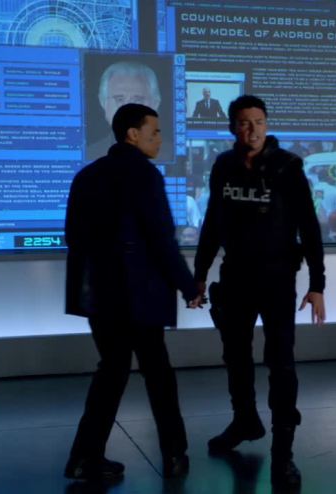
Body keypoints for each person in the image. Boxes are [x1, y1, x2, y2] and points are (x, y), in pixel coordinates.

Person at [64, 103, 203, 481]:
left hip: (100, 297)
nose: (160, 139)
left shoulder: (87, 175)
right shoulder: (145, 175)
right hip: (139, 296)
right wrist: (188, 286)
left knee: (111, 372)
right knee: (159, 375)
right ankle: (174, 455)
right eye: (154, 132)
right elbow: (162, 240)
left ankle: (84, 457)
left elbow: (73, 237)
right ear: (132, 134)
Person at [193, 95, 326, 490]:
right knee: (235, 355)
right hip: (235, 276)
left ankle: (284, 453)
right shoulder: (223, 166)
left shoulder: (287, 167)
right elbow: (212, 224)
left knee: (280, 362)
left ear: (267, 125)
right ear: (232, 127)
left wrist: (317, 285)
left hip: (278, 278)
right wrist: (199, 274)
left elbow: (309, 227)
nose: (251, 130)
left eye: (258, 122)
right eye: (243, 122)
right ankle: (245, 422)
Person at [87, 61, 172, 161]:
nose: (127, 107)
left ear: (155, 104)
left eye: (138, 100)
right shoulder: (90, 155)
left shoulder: (171, 155)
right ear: (103, 103)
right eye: (119, 99)